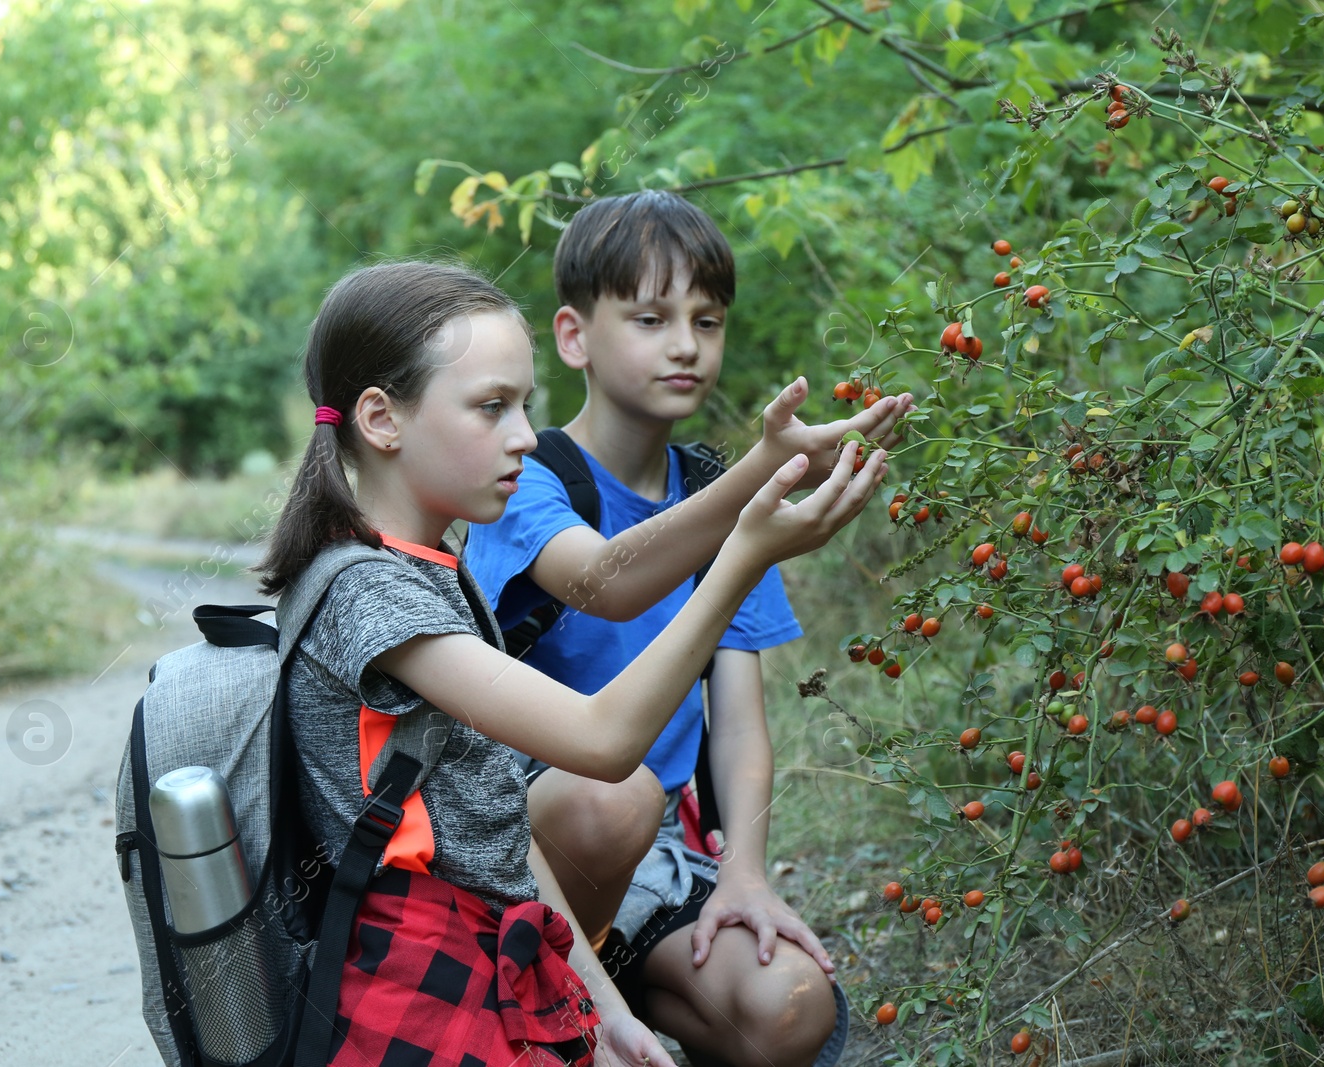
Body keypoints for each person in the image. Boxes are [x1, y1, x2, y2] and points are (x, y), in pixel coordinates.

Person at [254, 259, 888, 1067]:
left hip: (478, 947)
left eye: (524, 405)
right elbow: (601, 741)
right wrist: (745, 553)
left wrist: (600, 1004)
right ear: (382, 418)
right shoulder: (374, 596)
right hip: (414, 1001)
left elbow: (499, 838)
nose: (523, 435)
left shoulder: (425, 570)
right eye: (491, 407)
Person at [464, 191, 905, 1067]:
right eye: (651, 317)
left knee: (788, 1007)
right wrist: (760, 473)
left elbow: (739, 724)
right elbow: (606, 581)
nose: (685, 344)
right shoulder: (524, 477)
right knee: (606, 794)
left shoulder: (719, 498)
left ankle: (618, 995)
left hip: (657, 854)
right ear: (574, 335)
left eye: (707, 321)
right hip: (528, 842)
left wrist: (743, 871)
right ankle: (553, 1008)